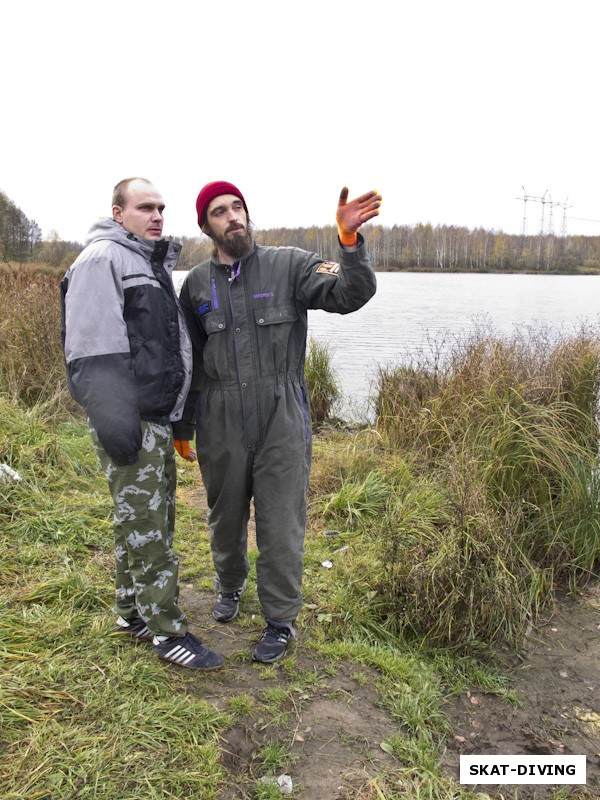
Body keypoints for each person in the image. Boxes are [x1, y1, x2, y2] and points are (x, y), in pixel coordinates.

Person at [173, 181, 381, 663]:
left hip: (281, 413)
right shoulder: (196, 285)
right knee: (224, 515)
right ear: (207, 226)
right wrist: (184, 424)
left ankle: (280, 621)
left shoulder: (291, 265)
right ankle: (229, 586)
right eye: (220, 212)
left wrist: (348, 243)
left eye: (238, 207)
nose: (233, 217)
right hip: (219, 416)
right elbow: (191, 360)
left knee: (280, 519)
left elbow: (352, 293)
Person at [60, 177, 224, 671]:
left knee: (144, 520)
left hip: (152, 417)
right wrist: (117, 422)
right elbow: (92, 351)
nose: (156, 215)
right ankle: (166, 632)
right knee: (150, 529)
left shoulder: (146, 264)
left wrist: (174, 419)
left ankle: (131, 612)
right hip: (129, 418)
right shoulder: (101, 261)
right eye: (144, 207)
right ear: (118, 213)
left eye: (161, 208)